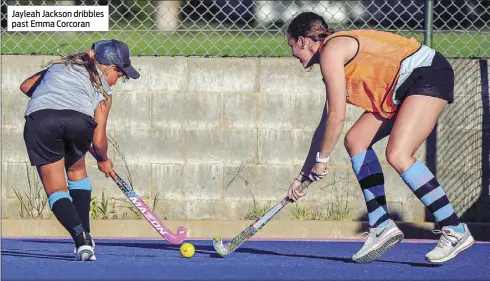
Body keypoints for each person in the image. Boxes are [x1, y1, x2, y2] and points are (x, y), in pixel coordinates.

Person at [285, 12, 474, 264]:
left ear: (302, 40)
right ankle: (381, 224)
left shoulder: (331, 51)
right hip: (402, 87)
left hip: (427, 73)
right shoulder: (332, 56)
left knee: (398, 154)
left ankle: (455, 229)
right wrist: (303, 175)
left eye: (292, 47)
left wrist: (323, 160)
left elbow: (337, 118)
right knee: (356, 140)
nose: (294, 55)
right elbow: (325, 125)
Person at [19, 39, 140, 261]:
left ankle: (82, 239)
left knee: (56, 190)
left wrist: (51, 96)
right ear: (110, 68)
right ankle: (87, 238)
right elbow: (99, 139)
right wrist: (104, 159)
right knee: (76, 173)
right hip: (79, 121)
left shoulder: (59, 66)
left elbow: (26, 86)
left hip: (41, 119)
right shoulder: (103, 89)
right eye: (120, 74)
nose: (119, 79)